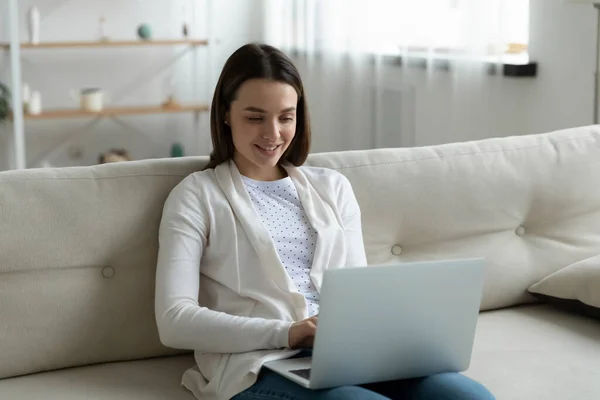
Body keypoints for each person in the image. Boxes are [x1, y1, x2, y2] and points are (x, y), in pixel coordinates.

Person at [155, 43, 495, 400]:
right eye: (255, 117)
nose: (272, 134)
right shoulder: (196, 196)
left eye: (286, 117)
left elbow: (360, 293)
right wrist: (289, 332)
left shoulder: (333, 188)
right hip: (258, 364)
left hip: (349, 354)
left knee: (469, 397)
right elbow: (174, 319)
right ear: (226, 114)